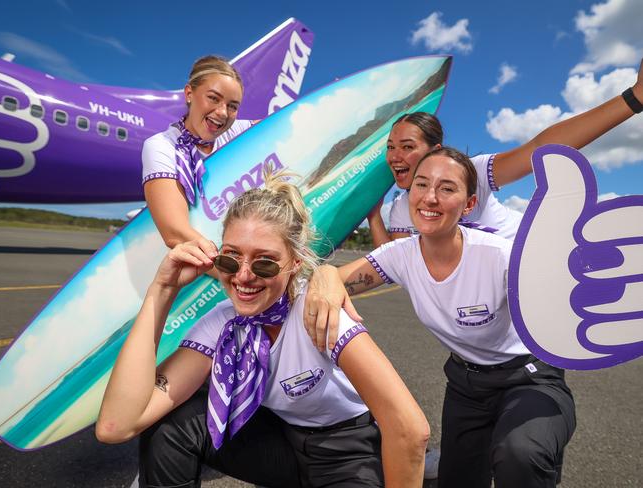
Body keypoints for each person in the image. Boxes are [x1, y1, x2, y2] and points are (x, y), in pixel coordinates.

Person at [96, 171, 430, 488]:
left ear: (295, 263)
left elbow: (410, 429)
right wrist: (161, 290)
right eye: (230, 258)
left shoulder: (317, 312)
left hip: (347, 452)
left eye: (264, 262)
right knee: (168, 424)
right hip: (282, 443)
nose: (243, 276)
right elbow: (116, 426)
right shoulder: (222, 323)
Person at [304, 147, 576, 488]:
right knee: (455, 479)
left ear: (469, 205)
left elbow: (566, 301)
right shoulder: (400, 255)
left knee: (520, 455)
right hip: (467, 385)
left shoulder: (501, 256)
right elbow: (335, 278)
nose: (430, 198)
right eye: (421, 185)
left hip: (528, 377)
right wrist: (325, 275)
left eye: (447, 188)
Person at [368, 59, 643, 245]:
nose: (394, 156)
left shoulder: (470, 172)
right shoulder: (404, 209)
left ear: (434, 151)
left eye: (407, 147)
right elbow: (397, 266)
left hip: (539, 253)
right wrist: (373, 215)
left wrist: (634, 98)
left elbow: (538, 149)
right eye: (391, 147)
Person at [142, 55, 252, 256]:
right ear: (189, 93)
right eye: (213, 98)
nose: (222, 113)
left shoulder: (234, 131)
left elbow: (283, 124)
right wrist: (240, 271)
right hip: (203, 272)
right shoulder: (162, 146)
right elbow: (175, 233)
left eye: (232, 106)